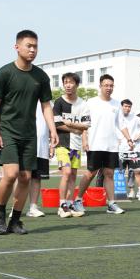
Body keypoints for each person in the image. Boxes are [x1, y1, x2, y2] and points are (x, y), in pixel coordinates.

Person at [0, 30, 58, 234]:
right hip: (8, 131)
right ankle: (0, 214)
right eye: (29, 46)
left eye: (35, 46)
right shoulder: (4, 73)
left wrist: (52, 130)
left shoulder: (40, 77)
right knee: (11, 174)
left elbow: (46, 105)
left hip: (29, 134)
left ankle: (15, 221)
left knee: (26, 177)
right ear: (17, 47)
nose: (32, 50)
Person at [75, 74, 130, 214]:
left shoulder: (117, 104)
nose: (109, 88)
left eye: (111, 85)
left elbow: (121, 124)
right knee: (90, 173)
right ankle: (78, 200)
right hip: (95, 144)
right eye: (106, 85)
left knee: (109, 173)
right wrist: (84, 140)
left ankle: (111, 204)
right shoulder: (91, 102)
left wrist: (129, 139)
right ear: (100, 86)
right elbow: (84, 124)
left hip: (111, 145)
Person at [51, 72, 89, 217]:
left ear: (77, 85)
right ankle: (62, 205)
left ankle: (70, 203)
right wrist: (74, 129)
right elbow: (57, 124)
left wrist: (70, 123)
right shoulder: (58, 102)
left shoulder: (83, 104)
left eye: (71, 82)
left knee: (73, 175)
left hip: (76, 145)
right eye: (65, 82)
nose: (68, 85)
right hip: (62, 144)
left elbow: (86, 125)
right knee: (66, 173)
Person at [119, 100, 140, 201]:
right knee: (119, 172)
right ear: (121, 107)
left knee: (137, 171)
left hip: (132, 150)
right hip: (120, 150)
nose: (127, 108)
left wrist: (138, 136)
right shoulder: (117, 117)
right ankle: (119, 194)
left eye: (129, 106)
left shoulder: (135, 118)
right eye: (125, 106)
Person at [25, 104, 53, 217]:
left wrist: (51, 145)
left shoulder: (48, 103)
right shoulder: (23, 98)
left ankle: (33, 207)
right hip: (25, 144)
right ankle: (15, 207)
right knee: (22, 177)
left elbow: (51, 124)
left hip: (42, 146)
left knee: (37, 177)